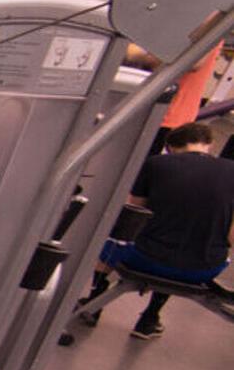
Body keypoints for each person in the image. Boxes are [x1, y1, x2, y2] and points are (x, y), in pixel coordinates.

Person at [84, 122, 234, 341]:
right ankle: (149, 318)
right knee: (193, 246)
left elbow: (135, 211)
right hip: (203, 269)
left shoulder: (156, 163)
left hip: (144, 259)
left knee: (117, 235)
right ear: (209, 145)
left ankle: (94, 298)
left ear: (171, 147)